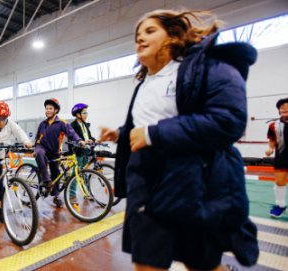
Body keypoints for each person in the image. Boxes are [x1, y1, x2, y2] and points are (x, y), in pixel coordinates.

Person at [99, 9, 258, 270]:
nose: (139, 39)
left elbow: (228, 121)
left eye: (150, 31)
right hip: (145, 185)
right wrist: (121, 133)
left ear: (172, 36)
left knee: (201, 264)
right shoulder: (144, 84)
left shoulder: (206, 69)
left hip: (191, 183)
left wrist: (152, 134)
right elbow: (148, 120)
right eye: (137, 35)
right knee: (146, 263)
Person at [34, 98, 84, 208]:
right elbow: (38, 137)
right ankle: (46, 181)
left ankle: (56, 196)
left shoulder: (62, 123)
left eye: (50, 108)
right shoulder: (42, 124)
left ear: (56, 110)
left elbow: (71, 133)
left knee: (56, 173)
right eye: (46, 108)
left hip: (54, 151)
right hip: (41, 147)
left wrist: (79, 140)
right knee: (39, 153)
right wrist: (35, 148)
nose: (48, 110)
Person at [69, 103, 96, 204]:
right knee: (76, 174)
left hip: (86, 151)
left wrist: (94, 140)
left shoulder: (85, 125)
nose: (86, 115)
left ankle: (86, 193)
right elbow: (72, 138)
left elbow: (88, 136)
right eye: (84, 113)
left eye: (86, 113)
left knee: (84, 174)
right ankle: (72, 195)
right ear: (78, 114)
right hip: (78, 152)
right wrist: (80, 143)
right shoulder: (72, 125)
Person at [265, 97, 288, 218]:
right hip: (282, 157)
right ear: (279, 110)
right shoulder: (274, 125)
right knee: (280, 182)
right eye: (282, 107)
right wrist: (270, 149)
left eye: (287, 107)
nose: (285, 109)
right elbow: (272, 139)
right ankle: (281, 205)